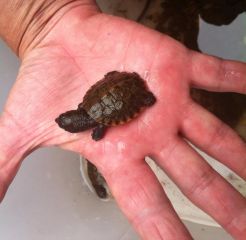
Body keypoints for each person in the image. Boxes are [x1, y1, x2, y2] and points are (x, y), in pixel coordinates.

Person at [0, 1, 245, 239]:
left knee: (146, 101)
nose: (64, 120)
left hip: (131, 93)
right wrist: (41, 18)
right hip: (119, 82)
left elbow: (99, 132)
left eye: (65, 120)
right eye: (66, 120)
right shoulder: (88, 104)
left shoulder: (98, 127)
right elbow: (104, 88)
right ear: (75, 115)